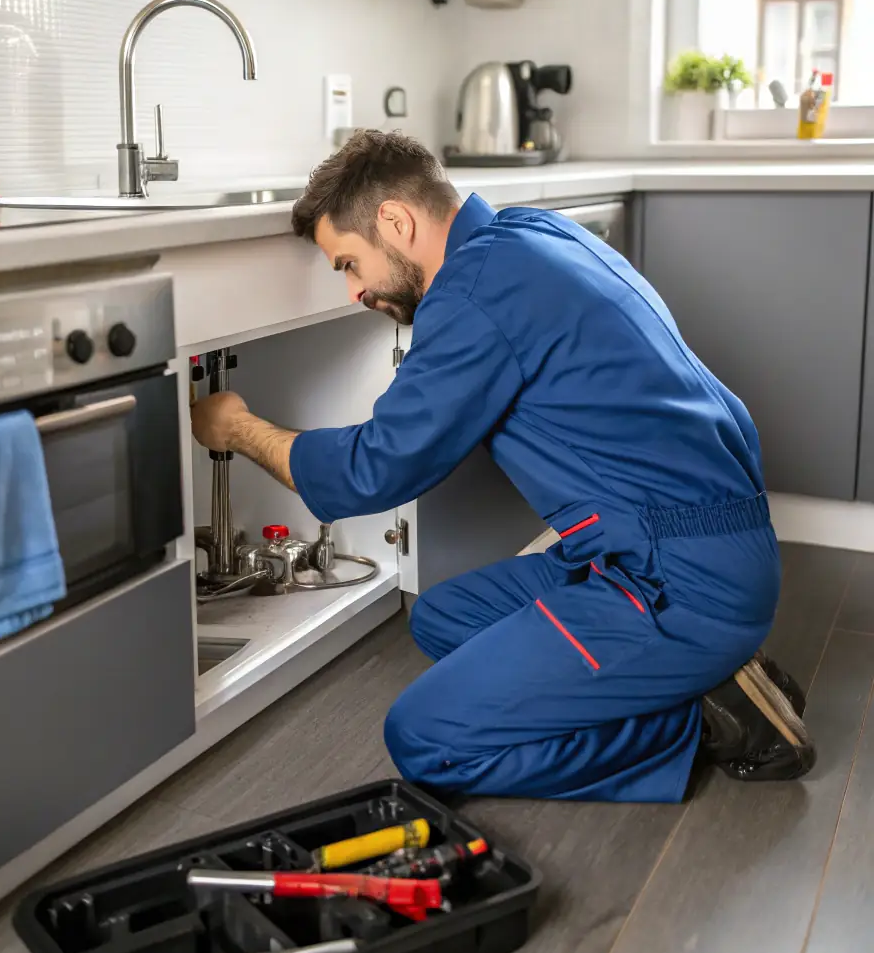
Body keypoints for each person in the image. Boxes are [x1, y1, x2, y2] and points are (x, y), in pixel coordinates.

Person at [190, 131, 815, 802]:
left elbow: (367, 472)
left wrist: (237, 427)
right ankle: (700, 669)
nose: (352, 291)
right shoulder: (531, 234)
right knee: (440, 617)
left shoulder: (471, 297)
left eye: (348, 262)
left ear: (396, 221)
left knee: (425, 739)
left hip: (680, 579)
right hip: (704, 545)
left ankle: (704, 720)